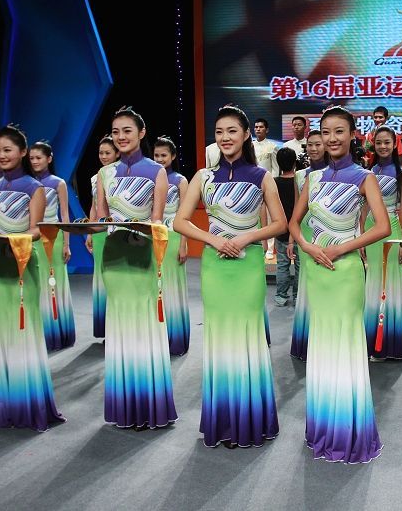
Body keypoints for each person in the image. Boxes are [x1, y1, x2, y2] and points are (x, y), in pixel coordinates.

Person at [174, 104, 284, 448]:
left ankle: (250, 420)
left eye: (232, 131)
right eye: (219, 132)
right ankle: (223, 421)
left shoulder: (262, 176)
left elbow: (280, 224)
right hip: (215, 266)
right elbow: (179, 221)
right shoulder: (203, 177)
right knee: (220, 338)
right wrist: (215, 240)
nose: (225, 137)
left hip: (248, 265)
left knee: (247, 337)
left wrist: (246, 237)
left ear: (246, 134)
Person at [289, 105, 390, 463]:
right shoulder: (312, 178)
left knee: (345, 344)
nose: (332, 138)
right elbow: (293, 222)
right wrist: (306, 246)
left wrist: (343, 247)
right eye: (326, 132)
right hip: (317, 270)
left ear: (352, 135)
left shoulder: (365, 177)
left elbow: (382, 227)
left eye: (339, 131)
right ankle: (323, 427)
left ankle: (348, 432)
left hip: (345, 271)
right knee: (322, 343)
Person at [0, 124, 64, 431]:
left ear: (22, 152)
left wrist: (13, 239)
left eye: (8, 150)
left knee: (24, 330)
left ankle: (28, 405)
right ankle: (0, 406)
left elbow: (38, 229)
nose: (1, 155)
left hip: (23, 262)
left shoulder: (33, 187)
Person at [95, 106, 177, 429]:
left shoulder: (156, 171)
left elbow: (157, 221)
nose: (121, 137)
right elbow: (100, 218)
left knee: (143, 324)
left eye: (127, 131)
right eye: (116, 132)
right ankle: (124, 405)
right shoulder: (104, 174)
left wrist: (141, 231)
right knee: (119, 325)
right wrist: (87, 226)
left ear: (141, 133)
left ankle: (147, 405)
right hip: (113, 256)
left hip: (141, 253)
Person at [363, 126, 402, 360]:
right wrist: (360, 238)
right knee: (373, 281)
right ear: (374, 144)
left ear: (394, 145)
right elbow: (363, 207)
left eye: (387, 142)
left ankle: (393, 343)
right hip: (370, 230)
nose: (383, 146)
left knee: (390, 282)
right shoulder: (367, 172)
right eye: (379, 142)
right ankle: (374, 342)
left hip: (392, 231)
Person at [29, 140, 76, 351]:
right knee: (37, 286)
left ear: (49, 159)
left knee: (56, 285)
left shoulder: (58, 183)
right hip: (34, 239)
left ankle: (60, 333)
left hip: (54, 239)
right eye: (31, 158)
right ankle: (42, 334)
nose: (35, 161)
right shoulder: (28, 183)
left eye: (39, 157)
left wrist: (67, 244)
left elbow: (65, 215)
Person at [290, 129, 327, 361]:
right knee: (305, 282)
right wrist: (292, 240)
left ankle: (324, 338)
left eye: (318, 144)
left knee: (324, 282)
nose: (313, 149)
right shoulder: (300, 175)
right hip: (304, 233)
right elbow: (296, 210)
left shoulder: (334, 173)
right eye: (310, 145)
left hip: (326, 232)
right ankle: (305, 341)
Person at [153, 136, 191, 356]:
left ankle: (176, 340)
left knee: (173, 289)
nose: (159, 159)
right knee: (156, 288)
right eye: (156, 155)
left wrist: (184, 244)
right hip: (153, 238)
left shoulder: (180, 181)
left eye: (164, 155)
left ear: (173, 156)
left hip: (174, 238)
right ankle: (157, 338)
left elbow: (184, 216)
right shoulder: (149, 178)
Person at [86, 136, 120, 339]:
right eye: (101, 153)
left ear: (117, 153)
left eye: (108, 153)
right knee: (100, 278)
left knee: (114, 277)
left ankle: (118, 328)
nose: (104, 156)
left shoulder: (121, 176)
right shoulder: (95, 177)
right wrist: (90, 231)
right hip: (99, 232)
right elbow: (94, 207)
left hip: (116, 232)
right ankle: (104, 327)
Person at [273, 148, 298, 307]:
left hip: (281, 231)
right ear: (295, 162)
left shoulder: (274, 183)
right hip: (299, 231)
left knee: (282, 266)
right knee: (300, 267)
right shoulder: (301, 181)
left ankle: (281, 297)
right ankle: (297, 297)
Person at [254, 117, 279, 259]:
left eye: (261, 127)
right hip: (253, 185)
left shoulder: (272, 147)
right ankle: (257, 243)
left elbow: (275, 169)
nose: (258, 129)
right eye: (256, 127)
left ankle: (270, 248)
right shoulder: (250, 146)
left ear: (267, 129)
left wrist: (271, 187)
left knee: (269, 217)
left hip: (267, 185)